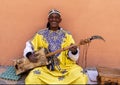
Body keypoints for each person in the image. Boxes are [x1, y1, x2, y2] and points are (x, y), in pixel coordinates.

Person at [23, 9, 88, 84]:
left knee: (81, 77)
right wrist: (29, 55)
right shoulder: (40, 34)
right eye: (51, 17)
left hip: (66, 68)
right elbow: (29, 45)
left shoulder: (67, 35)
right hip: (45, 69)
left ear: (60, 20)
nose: (54, 19)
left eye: (56, 18)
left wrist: (74, 51)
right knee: (31, 79)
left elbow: (74, 58)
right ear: (48, 19)